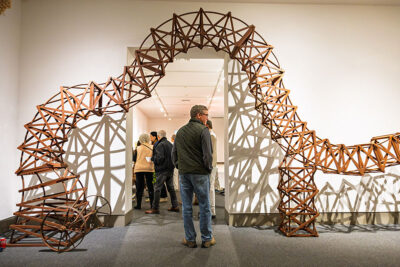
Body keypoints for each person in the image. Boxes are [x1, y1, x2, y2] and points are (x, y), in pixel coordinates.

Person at [172, 105, 216, 248]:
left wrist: (179, 166)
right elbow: (208, 155)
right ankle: (207, 238)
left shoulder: (180, 132)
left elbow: (174, 154)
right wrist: (208, 169)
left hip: (184, 174)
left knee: (186, 207)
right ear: (198, 115)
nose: (207, 118)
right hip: (200, 174)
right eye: (206, 115)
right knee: (204, 206)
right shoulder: (203, 131)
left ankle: (190, 239)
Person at [145, 130, 179, 214]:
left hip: (161, 170)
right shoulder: (170, 144)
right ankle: (175, 205)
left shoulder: (160, 145)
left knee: (157, 189)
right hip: (170, 170)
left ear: (159, 136)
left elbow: (159, 158)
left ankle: (155, 208)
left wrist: (153, 159)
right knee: (171, 188)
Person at [133, 134, 154, 210]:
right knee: (150, 187)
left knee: (139, 187)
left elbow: (134, 159)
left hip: (139, 169)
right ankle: (152, 205)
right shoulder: (152, 147)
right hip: (149, 168)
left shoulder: (138, 148)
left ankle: (138, 205)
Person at [150, 131, 168, 203]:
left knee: (158, 183)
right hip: (161, 166)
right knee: (159, 182)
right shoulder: (160, 143)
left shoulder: (158, 144)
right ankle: (162, 196)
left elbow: (159, 156)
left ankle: (161, 198)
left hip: (159, 166)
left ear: (155, 137)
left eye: (151, 136)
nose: (150, 138)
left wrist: (153, 159)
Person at [206, 119, 217, 219]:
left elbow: (210, 152)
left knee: (210, 188)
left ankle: (212, 210)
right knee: (209, 187)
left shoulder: (211, 136)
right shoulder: (211, 135)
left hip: (210, 165)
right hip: (211, 165)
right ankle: (210, 210)